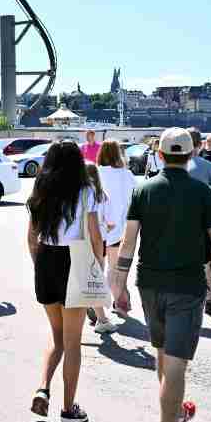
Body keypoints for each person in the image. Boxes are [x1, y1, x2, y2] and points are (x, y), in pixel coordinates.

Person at [109, 127, 211, 422]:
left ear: (160, 156)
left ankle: (177, 413)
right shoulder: (203, 192)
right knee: (177, 364)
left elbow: (127, 244)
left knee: (162, 355)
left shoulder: (143, 190)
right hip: (186, 286)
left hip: (149, 283)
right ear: (193, 154)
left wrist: (118, 287)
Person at [26, 141, 104, 422]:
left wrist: (40, 266)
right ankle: (68, 410)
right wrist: (98, 269)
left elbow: (31, 238)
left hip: (47, 260)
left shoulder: (40, 191)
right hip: (75, 260)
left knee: (56, 336)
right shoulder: (86, 192)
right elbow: (95, 237)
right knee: (73, 342)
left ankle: (42, 387)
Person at [93, 141, 135, 333]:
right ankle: (118, 301)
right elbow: (132, 201)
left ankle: (96, 304)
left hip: (96, 229)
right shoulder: (127, 175)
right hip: (118, 229)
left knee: (96, 267)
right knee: (114, 268)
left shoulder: (94, 173)